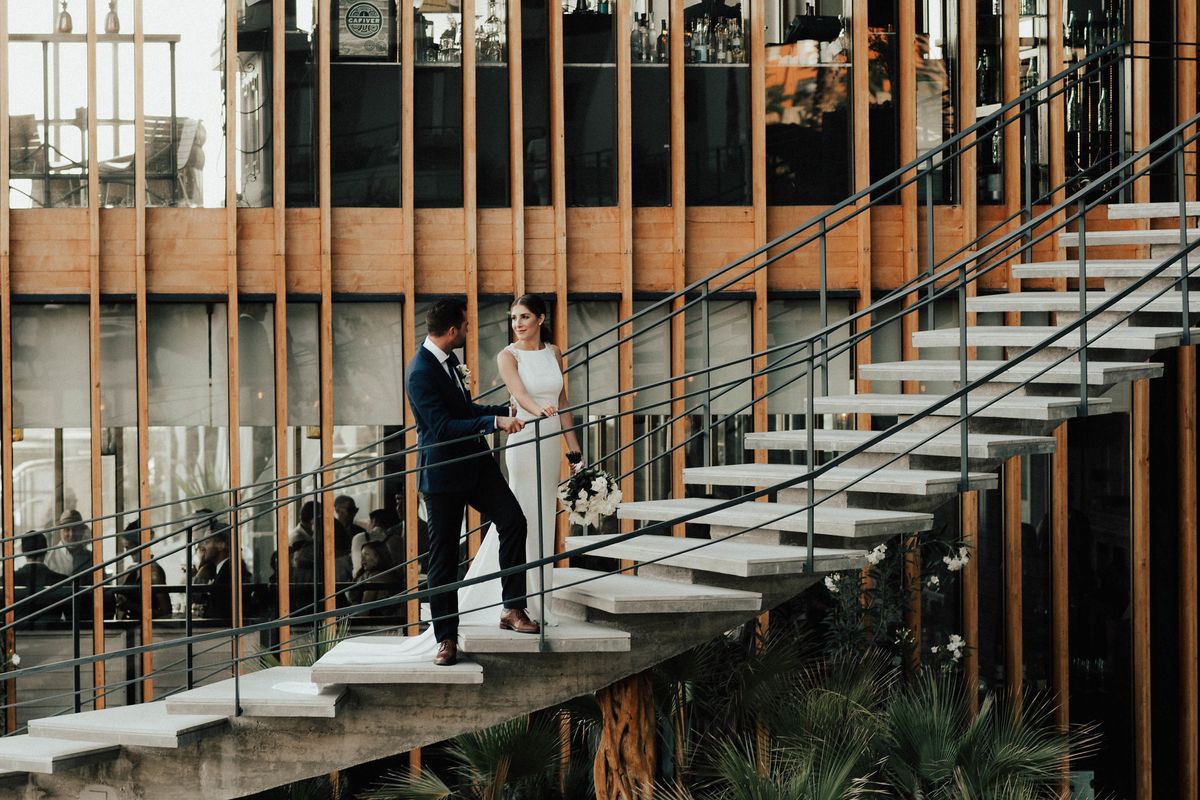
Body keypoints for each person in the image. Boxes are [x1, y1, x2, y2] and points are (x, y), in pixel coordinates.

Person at [404, 298, 537, 667]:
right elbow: (441, 428)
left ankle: (512, 608)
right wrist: (493, 424)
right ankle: (445, 638)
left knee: (513, 521)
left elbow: (463, 411)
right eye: (464, 326)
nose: (466, 331)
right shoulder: (419, 372)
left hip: (476, 466)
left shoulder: (448, 363)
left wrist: (502, 411)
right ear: (451, 331)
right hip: (442, 475)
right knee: (444, 558)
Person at [113, 521, 173, 621]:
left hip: (146, 631)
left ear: (140, 544)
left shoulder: (154, 573)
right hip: (129, 630)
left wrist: (130, 606)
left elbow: (166, 612)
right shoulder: (131, 571)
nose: (128, 552)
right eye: (126, 548)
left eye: (130, 547)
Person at [13, 531, 68, 628]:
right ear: (46, 549)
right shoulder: (62, 581)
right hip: (53, 636)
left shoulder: (9, 581)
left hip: (17, 635)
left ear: (23, 551)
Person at [45, 509, 94, 581]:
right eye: (67, 529)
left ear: (82, 531)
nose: (71, 534)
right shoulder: (48, 558)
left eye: (75, 529)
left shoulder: (92, 558)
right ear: (60, 531)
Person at [349, 540, 395, 611]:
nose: (362, 559)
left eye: (366, 554)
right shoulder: (389, 573)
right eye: (361, 556)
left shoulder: (375, 577)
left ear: (378, 556)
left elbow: (363, 613)